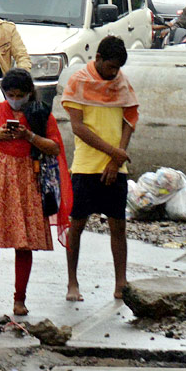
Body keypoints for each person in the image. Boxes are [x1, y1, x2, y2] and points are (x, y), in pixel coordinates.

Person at [0, 68, 70, 317]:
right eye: (10, 94)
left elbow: (54, 147)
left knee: (23, 242)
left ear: (29, 93)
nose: (15, 99)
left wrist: (29, 136)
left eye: (20, 94)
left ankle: (19, 299)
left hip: (27, 179)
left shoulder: (39, 113)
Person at [63, 36, 139, 302]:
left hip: (115, 166)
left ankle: (121, 282)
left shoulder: (122, 84)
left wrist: (117, 160)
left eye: (118, 68)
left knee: (118, 225)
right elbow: (78, 127)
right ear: (99, 59)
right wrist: (113, 152)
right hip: (85, 165)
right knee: (77, 224)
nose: (114, 73)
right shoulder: (78, 82)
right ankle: (72, 282)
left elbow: (130, 119)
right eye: (111, 67)